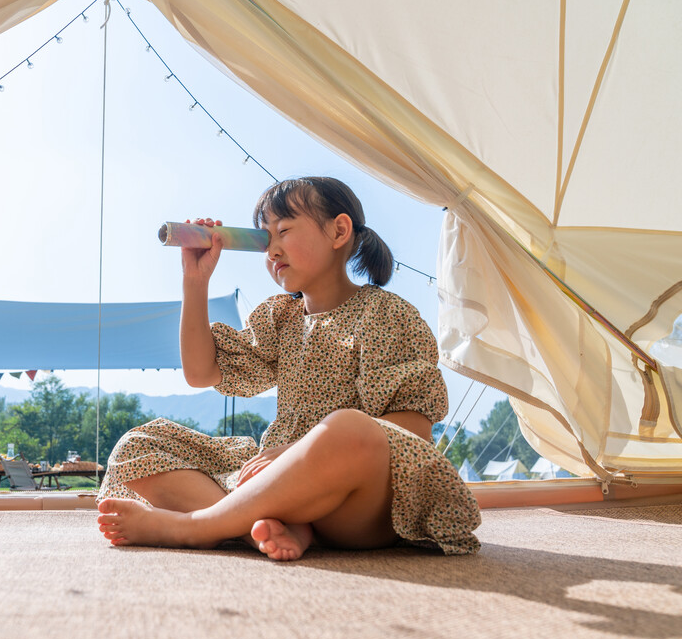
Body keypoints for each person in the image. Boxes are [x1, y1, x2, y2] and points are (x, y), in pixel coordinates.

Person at [96, 177, 480, 560]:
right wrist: (195, 281)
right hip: (274, 481)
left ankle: (198, 525)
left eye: (283, 231)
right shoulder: (280, 318)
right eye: (265, 239)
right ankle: (269, 529)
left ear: (339, 231)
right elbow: (201, 372)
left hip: (355, 505)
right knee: (141, 443)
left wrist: (292, 453)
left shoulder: (386, 314)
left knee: (347, 427)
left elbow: (410, 431)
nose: (272, 250)